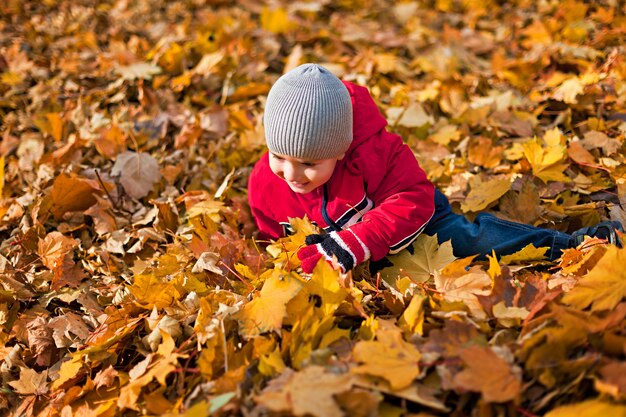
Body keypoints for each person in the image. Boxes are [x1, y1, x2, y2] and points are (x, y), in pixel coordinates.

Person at [247, 63, 623, 274]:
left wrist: (358, 241)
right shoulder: (266, 182)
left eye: (310, 164)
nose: (292, 174)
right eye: (279, 156)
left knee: (471, 242)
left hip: (414, 220)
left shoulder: (378, 153)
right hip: (351, 254)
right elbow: (274, 233)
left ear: (341, 151)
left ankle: (576, 245)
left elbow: (414, 199)